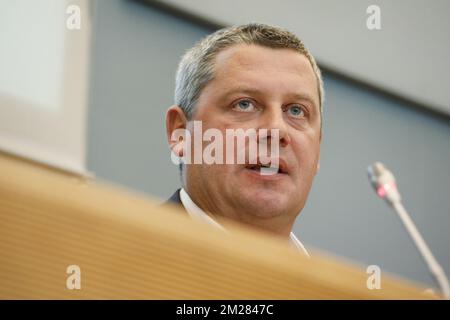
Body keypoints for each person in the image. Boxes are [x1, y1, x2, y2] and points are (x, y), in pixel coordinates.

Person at [165, 23, 324, 256]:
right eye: (244, 104)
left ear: (318, 147)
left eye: (296, 111)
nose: (276, 130)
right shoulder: (107, 263)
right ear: (180, 132)